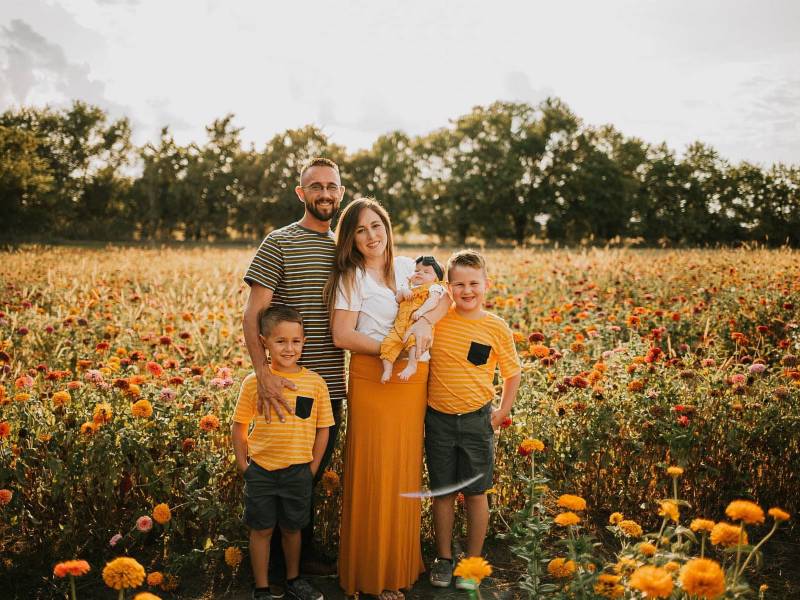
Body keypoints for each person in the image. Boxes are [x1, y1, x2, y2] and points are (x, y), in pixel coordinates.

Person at [327, 198, 450, 600]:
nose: (371, 236)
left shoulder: (407, 266)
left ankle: (400, 563)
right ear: (351, 238)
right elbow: (342, 335)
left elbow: (443, 294)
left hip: (413, 381)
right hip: (372, 380)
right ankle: (372, 574)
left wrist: (426, 322)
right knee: (375, 470)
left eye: (376, 225)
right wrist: (390, 348)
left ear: (387, 226)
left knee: (404, 468)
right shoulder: (351, 276)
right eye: (360, 230)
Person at [242, 157, 346, 576]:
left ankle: (299, 561)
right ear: (301, 193)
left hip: (329, 386)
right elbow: (253, 315)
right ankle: (273, 566)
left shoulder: (345, 246)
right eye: (315, 186)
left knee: (308, 475)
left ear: (340, 193)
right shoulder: (279, 242)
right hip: (284, 385)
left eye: (332, 186)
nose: (325, 193)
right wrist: (263, 373)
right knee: (276, 474)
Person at [425, 249, 522, 591]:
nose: (467, 291)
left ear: (486, 285)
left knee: (476, 493)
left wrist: (503, 411)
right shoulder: (438, 320)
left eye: (473, 284)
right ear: (448, 287)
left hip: (478, 421)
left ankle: (472, 560)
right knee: (443, 493)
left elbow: (512, 374)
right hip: (437, 419)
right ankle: (443, 558)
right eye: (459, 284)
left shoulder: (495, 327)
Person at [232, 305, 334, 600]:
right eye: (280, 341)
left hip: (298, 471)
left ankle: (293, 579)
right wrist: (245, 466)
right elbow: (239, 427)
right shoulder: (254, 383)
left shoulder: (315, 384)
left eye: (296, 341)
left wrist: (312, 469)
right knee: (261, 530)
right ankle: (262, 587)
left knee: (292, 529)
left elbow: (323, 428)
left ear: (304, 342)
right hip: (261, 470)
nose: (289, 348)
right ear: (264, 341)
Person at [379, 255, 446, 383]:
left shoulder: (434, 287)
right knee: (388, 343)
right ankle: (387, 369)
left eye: (426, 272)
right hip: (399, 326)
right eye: (416, 271)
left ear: (436, 278)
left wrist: (421, 311)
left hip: (416, 325)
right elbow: (398, 299)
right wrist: (403, 291)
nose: (420, 273)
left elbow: (433, 301)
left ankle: (412, 365)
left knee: (414, 342)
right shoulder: (408, 287)